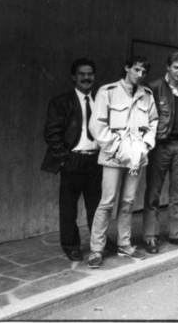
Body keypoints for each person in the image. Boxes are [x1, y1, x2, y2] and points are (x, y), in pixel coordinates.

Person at [87, 56, 158, 268]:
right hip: (113, 155)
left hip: (136, 157)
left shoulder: (146, 95)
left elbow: (153, 122)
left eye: (143, 72)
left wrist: (145, 146)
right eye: (136, 70)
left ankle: (124, 244)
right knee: (107, 201)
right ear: (127, 68)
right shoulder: (107, 92)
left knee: (128, 201)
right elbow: (97, 125)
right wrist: (118, 149)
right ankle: (96, 249)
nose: (140, 75)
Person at [41, 58, 114, 261]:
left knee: (97, 206)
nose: (86, 77)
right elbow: (51, 134)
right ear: (73, 77)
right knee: (68, 208)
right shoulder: (60, 102)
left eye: (90, 73)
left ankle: (100, 242)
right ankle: (71, 246)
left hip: (95, 161)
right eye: (81, 74)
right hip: (72, 159)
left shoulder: (101, 101)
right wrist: (65, 158)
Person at [142, 52, 178, 254]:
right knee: (153, 193)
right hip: (160, 146)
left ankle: (177, 233)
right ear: (168, 67)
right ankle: (150, 236)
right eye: (176, 67)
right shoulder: (155, 87)